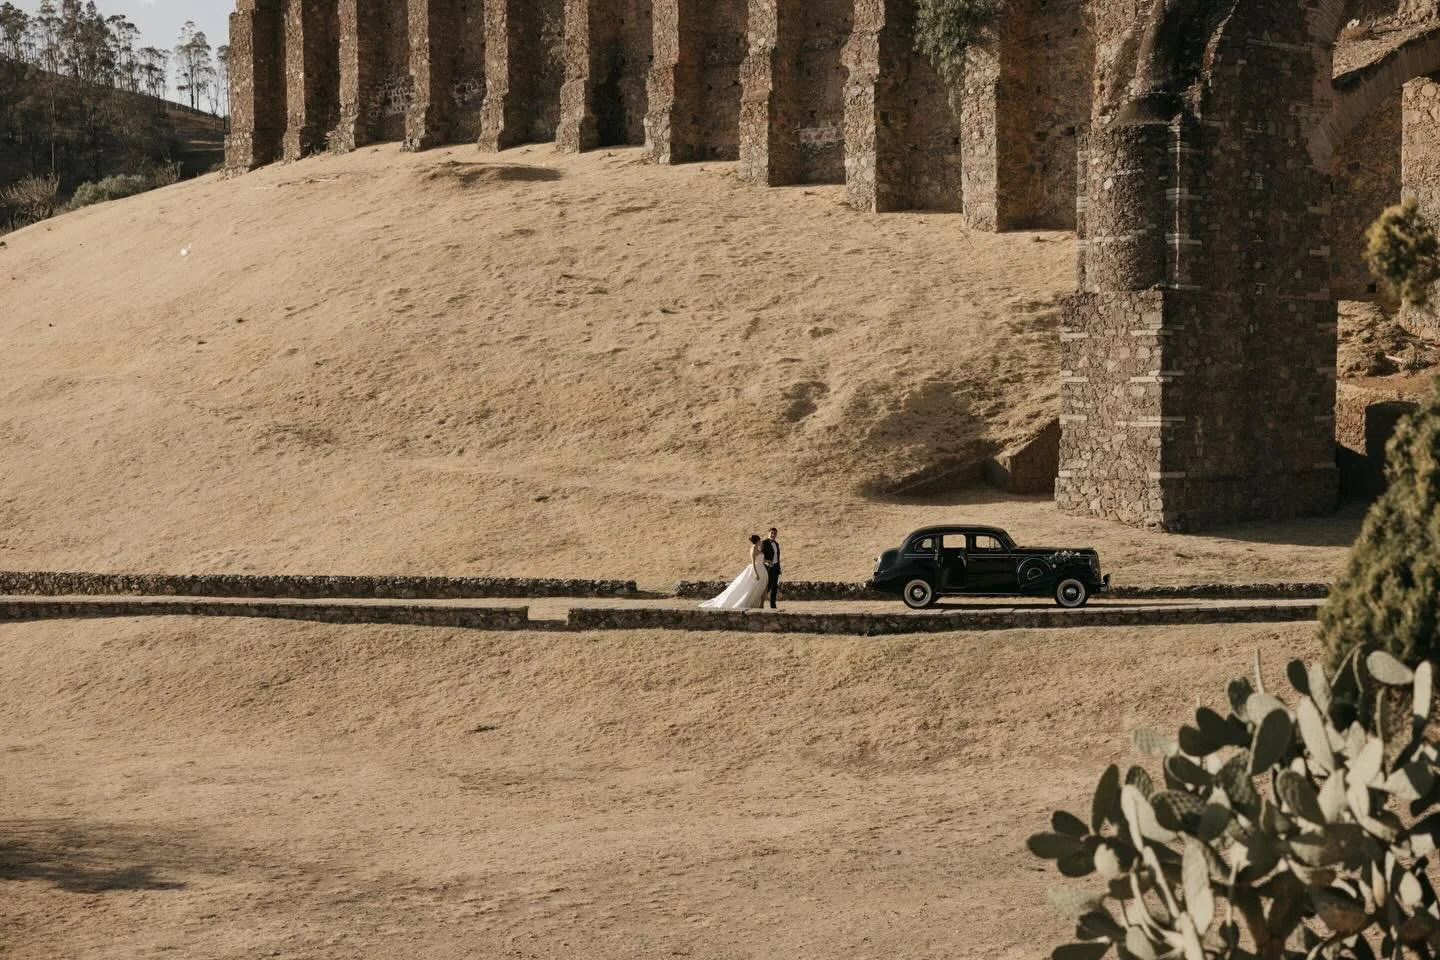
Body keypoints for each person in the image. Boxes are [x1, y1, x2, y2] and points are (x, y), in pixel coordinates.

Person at [700, 534, 768, 610]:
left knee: (761, 587)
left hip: (762, 570)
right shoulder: (753, 549)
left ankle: (759, 605)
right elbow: (753, 562)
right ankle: (745, 602)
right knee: (750, 587)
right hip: (756, 570)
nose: (760, 541)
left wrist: (767, 561)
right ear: (757, 540)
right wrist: (756, 573)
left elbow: (760, 559)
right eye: (759, 540)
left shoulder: (758, 548)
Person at [761, 527, 781, 609]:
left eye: (775, 533)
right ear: (768, 533)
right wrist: (766, 563)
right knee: (767, 586)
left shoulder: (776, 544)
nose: (773, 535)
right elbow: (760, 556)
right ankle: (760, 603)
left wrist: (779, 568)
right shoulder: (764, 543)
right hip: (767, 568)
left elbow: (777, 557)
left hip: (775, 567)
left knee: (774, 586)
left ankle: (773, 605)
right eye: (772, 533)